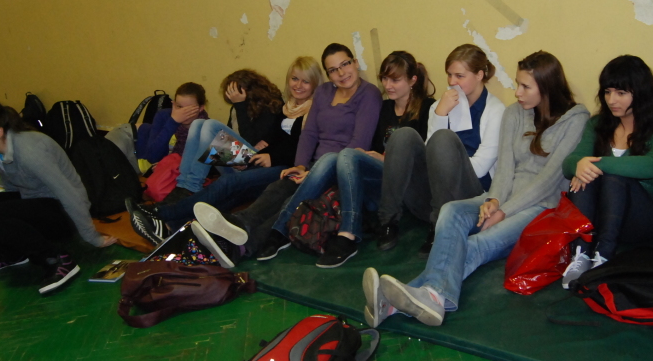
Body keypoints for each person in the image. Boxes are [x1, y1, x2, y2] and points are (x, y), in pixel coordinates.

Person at [363, 51, 588, 327]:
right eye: (517, 84)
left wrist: (504, 211)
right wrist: (493, 200)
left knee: (477, 243)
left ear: (547, 86)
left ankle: (408, 299)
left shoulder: (576, 119)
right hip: (504, 197)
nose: (517, 92)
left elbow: (549, 180)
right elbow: (504, 168)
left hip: (540, 206)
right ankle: (424, 297)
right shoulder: (514, 113)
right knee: (450, 211)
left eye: (525, 86)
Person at [192, 43, 383, 263]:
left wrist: (311, 173)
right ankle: (237, 226)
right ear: (328, 74)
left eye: (345, 64)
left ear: (355, 63)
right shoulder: (322, 92)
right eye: (333, 70)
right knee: (279, 187)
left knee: (291, 199)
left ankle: (244, 244)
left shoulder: (369, 94)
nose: (341, 73)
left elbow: (357, 146)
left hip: (341, 171)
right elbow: (309, 133)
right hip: (313, 167)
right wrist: (300, 165)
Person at [264, 51, 434, 269]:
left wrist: (384, 158)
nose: (388, 85)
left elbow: (423, 158)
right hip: (379, 180)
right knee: (339, 156)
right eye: (384, 79)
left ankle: (347, 233)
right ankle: (283, 230)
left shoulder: (428, 107)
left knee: (350, 153)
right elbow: (366, 146)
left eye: (395, 80)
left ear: (412, 80)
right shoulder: (385, 108)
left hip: (408, 184)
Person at [129, 57, 322, 249]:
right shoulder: (287, 108)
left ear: (315, 84)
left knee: (221, 160)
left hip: (282, 167)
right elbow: (271, 141)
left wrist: (270, 154)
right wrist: (257, 153)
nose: (298, 85)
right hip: (255, 160)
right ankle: (178, 205)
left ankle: (162, 212)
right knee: (199, 125)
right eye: (295, 79)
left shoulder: (306, 110)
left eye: (305, 81)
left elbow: (301, 147)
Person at [0, 98, 116, 295]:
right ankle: (13, 254)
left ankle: (58, 260)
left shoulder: (30, 151)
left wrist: (92, 237)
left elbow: (69, 193)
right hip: (35, 200)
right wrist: (7, 215)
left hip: (63, 212)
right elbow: (11, 183)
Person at [374, 44, 506, 255]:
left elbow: (480, 168)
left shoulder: (496, 111)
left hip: (471, 197)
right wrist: (440, 114)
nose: (452, 82)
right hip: (433, 199)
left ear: (479, 75)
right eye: (449, 75)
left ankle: (439, 228)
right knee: (403, 135)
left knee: (443, 139)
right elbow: (429, 157)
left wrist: (447, 157)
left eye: (459, 76)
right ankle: (388, 221)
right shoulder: (439, 106)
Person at [560, 55, 653, 287]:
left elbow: (652, 165)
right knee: (583, 173)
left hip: (644, 219)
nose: (611, 100)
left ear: (641, 92)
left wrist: (594, 164)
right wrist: (580, 165)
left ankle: (604, 257)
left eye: (621, 93)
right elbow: (568, 163)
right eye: (607, 92)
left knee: (611, 175)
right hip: (602, 218)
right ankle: (581, 255)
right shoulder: (597, 124)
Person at [135, 82, 208, 165]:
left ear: (201, 108)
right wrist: (173, 122)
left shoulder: (208, 128)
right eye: (179, 106)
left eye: (189, 108)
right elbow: (152, 157)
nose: (182, 112)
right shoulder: (163, 116)